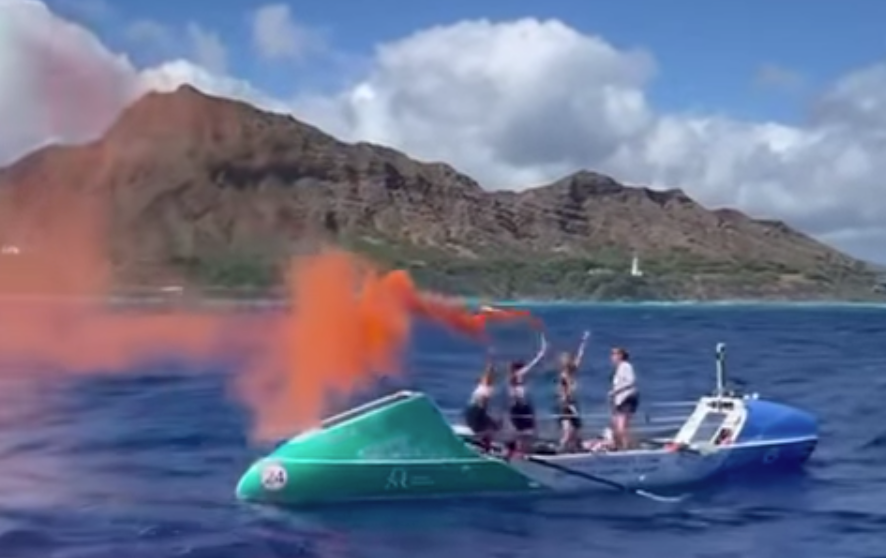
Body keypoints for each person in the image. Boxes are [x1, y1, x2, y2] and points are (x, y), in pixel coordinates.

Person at [507, 333, 548, 453]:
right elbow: (534, 364)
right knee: (525, 433)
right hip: (520, 410)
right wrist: (542, 351)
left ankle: (522, 452)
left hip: (521, 409)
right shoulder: (518, 378)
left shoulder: (516, 383)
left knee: (525, 433)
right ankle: (521, 453)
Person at [555, 331, 590, 451]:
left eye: (568, 359)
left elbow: (580, 356)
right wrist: (566, 400)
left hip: (573, 405)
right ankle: (560, 449)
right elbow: (563, 393)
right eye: (565, 360)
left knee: (575, 431)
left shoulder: (572, 372)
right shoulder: (563, 377)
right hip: (566, 406)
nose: (568, 361)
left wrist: (584, 341)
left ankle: (573, 449)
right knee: (568, 431)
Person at [464, 353, 501, 450]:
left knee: (492, 426)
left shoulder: (484, 386)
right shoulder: (486, 388)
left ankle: (484, 444)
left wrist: (491, 359)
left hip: (472, 409)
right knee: (491, 428)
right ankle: (484, 445)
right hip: (475, 410)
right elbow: (482, 406)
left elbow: (488, 372)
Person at [608, 347, 639, 450]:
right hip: (619, 401)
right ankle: (618, 447)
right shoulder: (619, 368)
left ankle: (626, 449)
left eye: (614, 354)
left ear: (621, 355)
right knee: (615, 426)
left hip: (627, 399)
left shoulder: (626, 366)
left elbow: (631, 381)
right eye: (612, 354)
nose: (612, 357)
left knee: (622, 428)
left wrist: (616, 391)